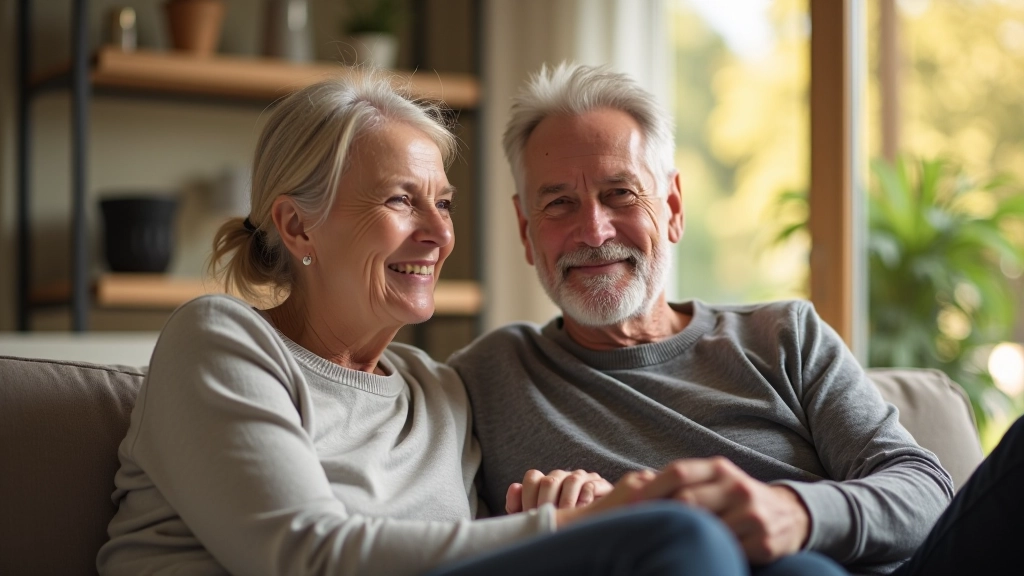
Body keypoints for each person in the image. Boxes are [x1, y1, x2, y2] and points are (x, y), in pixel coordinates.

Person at [94, 70, 808, 576]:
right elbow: (306, 557)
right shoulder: (220, 342)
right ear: (297, 226)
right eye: (403, 201)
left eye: (443, 203)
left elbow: (465, 548)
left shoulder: (441, 393)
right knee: (678, 539)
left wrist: (557, 504)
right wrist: (571, 525)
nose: (437, 233)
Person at [447, 62, 1023, 575]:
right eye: (558, 204)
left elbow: (923, 490)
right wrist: (570, 523)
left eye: (620, 193)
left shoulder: (783, 335)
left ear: (672, 209)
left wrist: (796, 510)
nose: (594, 232)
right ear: (526, 232)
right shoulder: (485, 380)